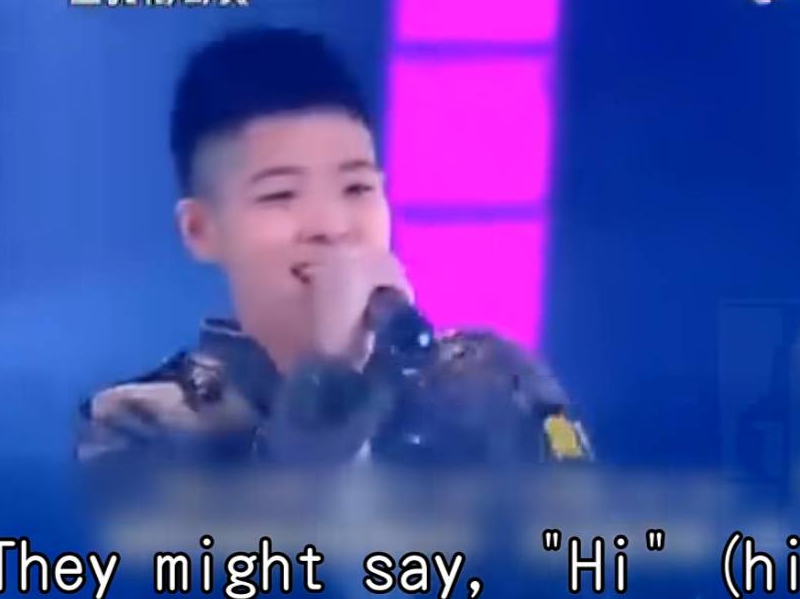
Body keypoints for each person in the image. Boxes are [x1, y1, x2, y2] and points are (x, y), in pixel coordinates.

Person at [76, 27, 590, 466]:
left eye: (356, 188)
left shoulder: (497, 382)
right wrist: (328, 381)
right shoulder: (139, 423)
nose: (332, 226)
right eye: (281, 195)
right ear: (200, 230)